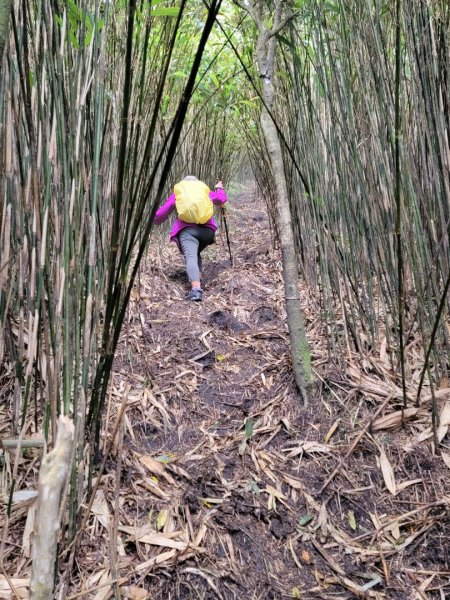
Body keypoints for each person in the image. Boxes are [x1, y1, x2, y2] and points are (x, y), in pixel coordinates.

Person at [154, 176, 228, 301]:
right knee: (195, 252)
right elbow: (221, 199)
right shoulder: (204, 191)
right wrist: (219, 188)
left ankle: (196, 290)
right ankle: (197, 278)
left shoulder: (179, 193)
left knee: (191, 256)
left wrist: (152, 218)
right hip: (208, 232)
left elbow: (160, 215)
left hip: (188, 232)